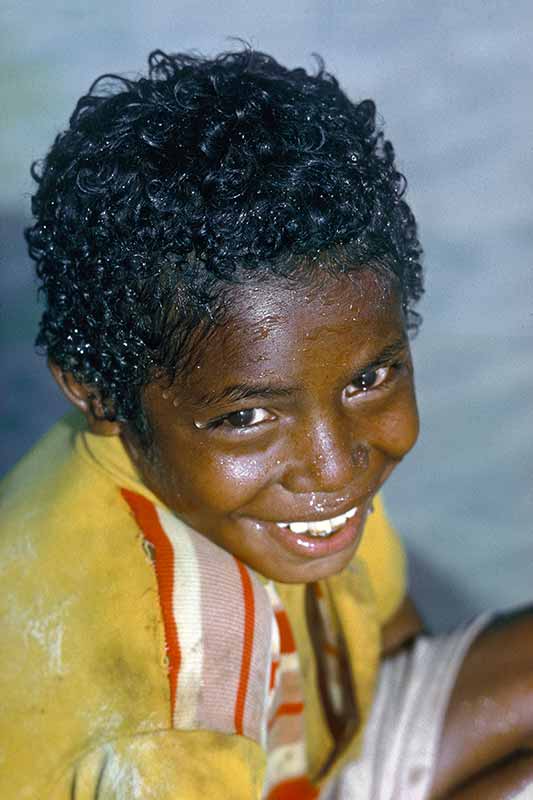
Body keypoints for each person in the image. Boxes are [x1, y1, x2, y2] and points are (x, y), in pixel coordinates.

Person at [1, 48, 532, 800]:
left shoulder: (229, 466)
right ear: (98, 394)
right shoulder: (166, 713)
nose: (335, 466)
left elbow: (388, 636)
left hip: (297, 757)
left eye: (368, 379)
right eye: (247, 416)